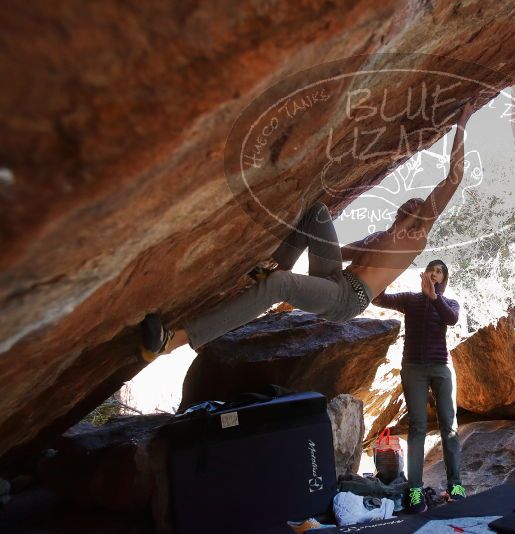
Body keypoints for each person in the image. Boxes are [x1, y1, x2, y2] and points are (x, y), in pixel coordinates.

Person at [139, 101, 477, 360]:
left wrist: (462, 124)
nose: (415, 204)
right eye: (412, 202)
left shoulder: (416, 236)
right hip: (337, 279)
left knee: (282, 286)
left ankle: (173, 341)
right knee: (316, 214)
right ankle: (272, 270)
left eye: (420, 204)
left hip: (348, 299)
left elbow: (453, 178)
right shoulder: (380, 239)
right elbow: (334, 250)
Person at [372, 259, 464, 513]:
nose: (435, 274)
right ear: (424, 274)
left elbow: (452, 319)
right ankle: (415, 490)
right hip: (413, 369)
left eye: (440, 272)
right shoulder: (409, 299)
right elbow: (378, 298)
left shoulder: (449, 303)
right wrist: (389, 270)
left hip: (441, 368)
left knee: (450, 425)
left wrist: (433, 297)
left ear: (444, 279)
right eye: (431, 270)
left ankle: (455, 486)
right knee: (418, 427)